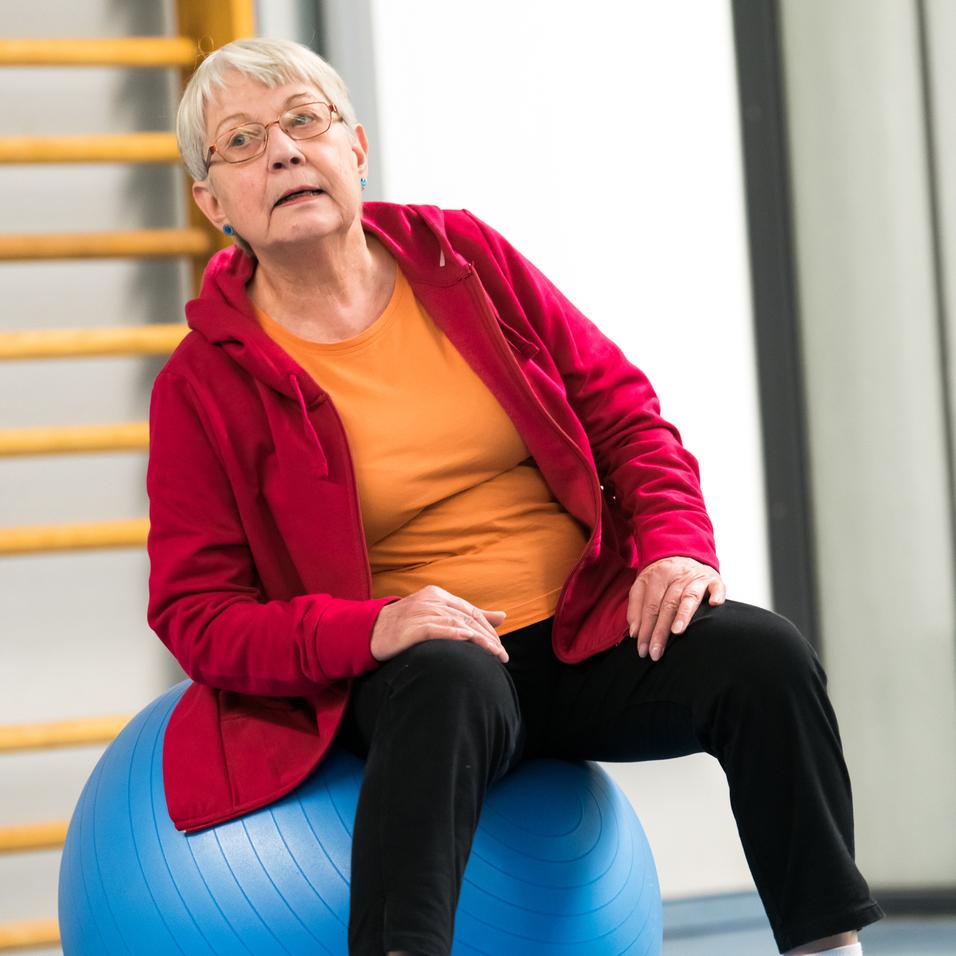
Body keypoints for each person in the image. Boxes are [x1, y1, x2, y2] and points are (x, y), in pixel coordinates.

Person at [147, 36, 885, 956]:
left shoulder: (464, 258)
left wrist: (673, 544)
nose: (286, 152)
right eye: (244, 142)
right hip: (422, 670)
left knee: (764, 658)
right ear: (213, 204)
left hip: (585, 632)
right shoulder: (200, 384)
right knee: (448, 679)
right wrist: (372, 628)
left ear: (356, 148)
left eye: (305, 121)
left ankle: (828, 948)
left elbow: (625, 415)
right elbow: (197, 614)